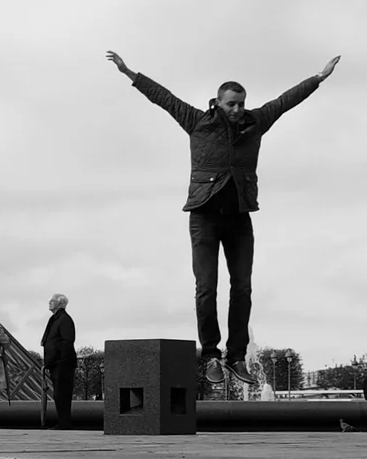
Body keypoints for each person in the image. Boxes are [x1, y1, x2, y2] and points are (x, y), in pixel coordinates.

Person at [106, 48, 342, 389]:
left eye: (241, 104)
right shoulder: (197, 122)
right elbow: (163, 98)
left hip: (239, 219)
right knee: (206, 288)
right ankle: (212, 355)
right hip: (204, 217)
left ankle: (236, 356)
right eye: (231, 104)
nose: (237, 109)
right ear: (218, 103)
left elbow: (285, 101)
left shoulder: (255, 123)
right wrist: (130, 73)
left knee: (242, 288)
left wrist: (318, 78)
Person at [41, 295, 78, 428]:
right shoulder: (58, 319)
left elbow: (67, 341)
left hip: (62, 363)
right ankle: (63, 421)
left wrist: (59, 358)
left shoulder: (63, 319)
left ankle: (64, 422)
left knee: (62, 393)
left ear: (60, 304)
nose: (49, 302)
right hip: (57, 362)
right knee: (58, 394)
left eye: (53, 301)